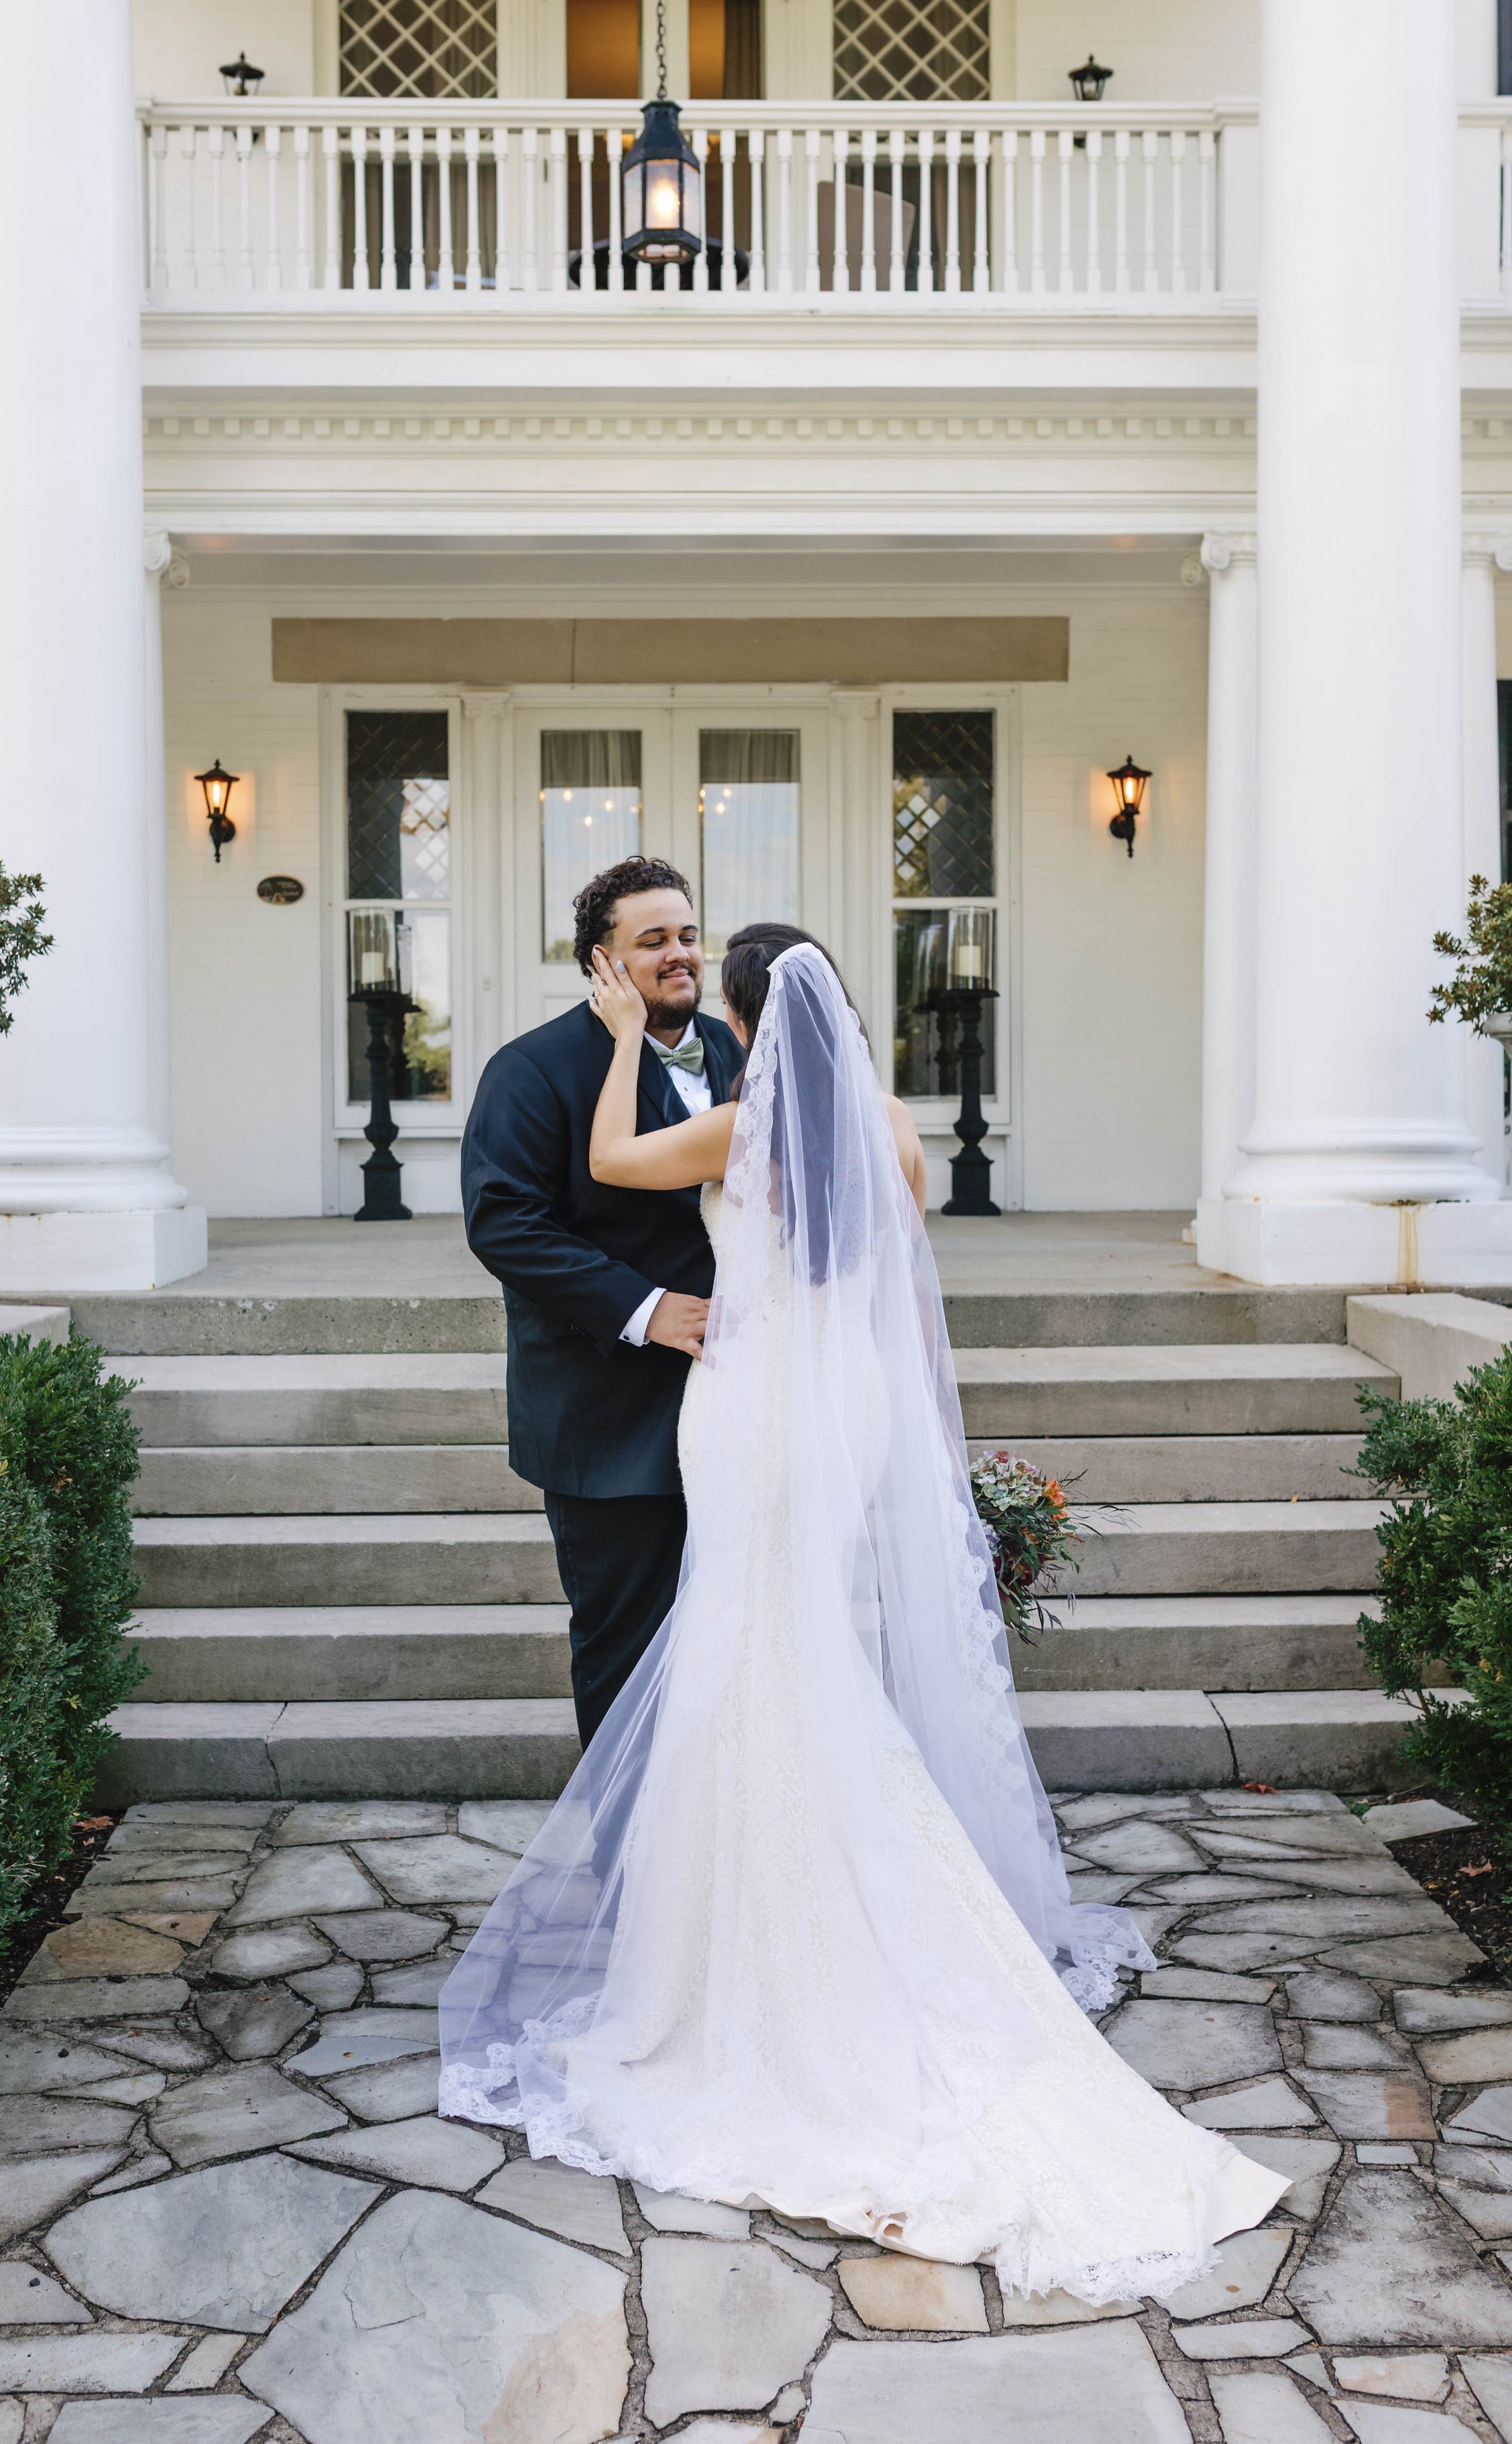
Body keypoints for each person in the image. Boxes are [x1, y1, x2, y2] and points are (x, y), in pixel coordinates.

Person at [441, 928, 1289, 2303]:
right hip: (844, 1400)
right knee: (797, 1644)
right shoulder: (888, 1127)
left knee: (743, 1643)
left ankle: (737, 1957)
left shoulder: (733, 1122)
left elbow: (604, 1165)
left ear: (743, 1016)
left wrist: (611, 1043)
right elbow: (892, 1270)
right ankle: (831, 1908)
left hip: (753, 1396)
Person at [460, 857, 743, 1748]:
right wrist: (644, 1304)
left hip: (736, 1401)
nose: (680, 955)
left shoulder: (737, 1051)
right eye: (652, 940)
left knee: (731, 1636)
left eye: (689, 935)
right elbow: (504, 1222)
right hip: (608, 1417)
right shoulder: (532, 1069)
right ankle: (629, 1865)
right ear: (603, 963)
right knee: (627, 1647)